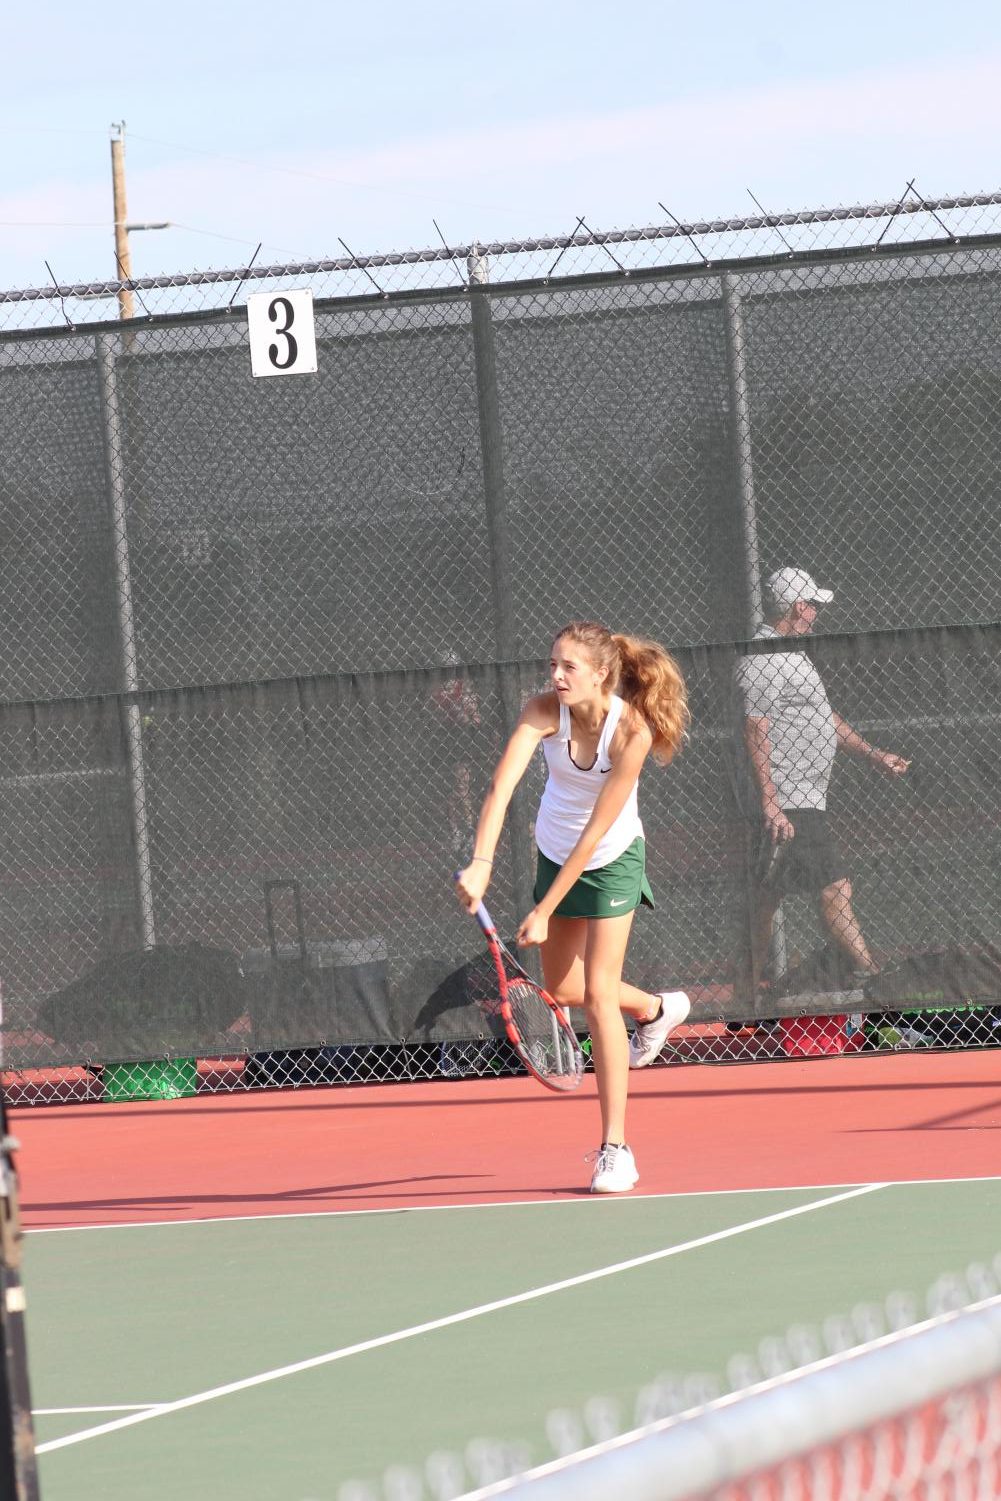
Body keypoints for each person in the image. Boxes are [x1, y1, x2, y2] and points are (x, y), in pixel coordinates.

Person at [454, 621, 690, 1194]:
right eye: (552, 664)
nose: (555, 675)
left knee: (600, 996)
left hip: (609, 858)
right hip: (553, 852)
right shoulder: (542, 711)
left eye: (568, 667)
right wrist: (482, 861)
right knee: (561, 988)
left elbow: (595, 832)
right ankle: (658, 1010)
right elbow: (500, 787)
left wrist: (543, 909)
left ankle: (616, 1149)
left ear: (601, 673)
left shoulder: (629, 731)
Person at [732, 567, 910, 1018]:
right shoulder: (763, 658)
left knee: (765, 898)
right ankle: (869, 974)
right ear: (798, 607)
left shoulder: (793, 654)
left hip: (802, 799)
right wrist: (771, 801)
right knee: (835, 886)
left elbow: (825, 717)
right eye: (813, 604)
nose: (816, 613)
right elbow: (755, 728)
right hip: (789, 803)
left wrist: (873, 753)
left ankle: (744, 995)